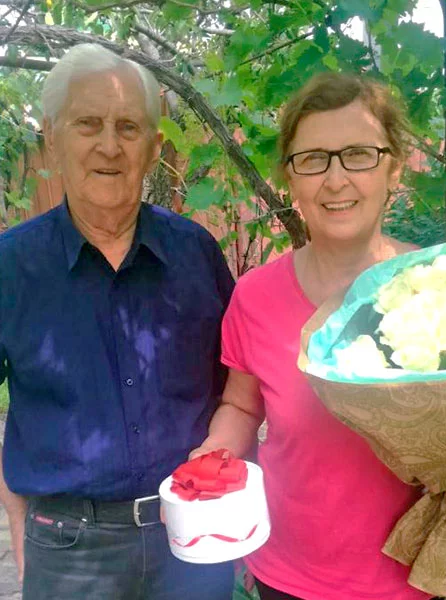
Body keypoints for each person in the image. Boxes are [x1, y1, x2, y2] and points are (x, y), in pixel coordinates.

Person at [191, 72, 446, 600]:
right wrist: (217, 453)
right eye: (313, 159)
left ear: (394, 167)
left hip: (414, 578)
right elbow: (240, 405)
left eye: (358, 155)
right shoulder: (255, 296)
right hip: (286, 574)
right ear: (290, 176)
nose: (336, 178)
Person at [0, 43, 235, 599]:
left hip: (192, 537)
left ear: (152, 148)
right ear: (52, 136)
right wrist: (17, 519)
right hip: (70, 549)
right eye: (88, 123)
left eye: (128, 127)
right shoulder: (11, 267)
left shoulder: (196, 254)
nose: (109, 145)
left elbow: (239, 391)